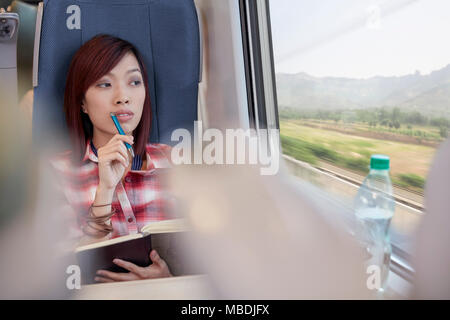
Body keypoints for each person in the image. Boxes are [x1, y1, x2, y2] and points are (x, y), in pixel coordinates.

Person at [51, 34, 174, 282]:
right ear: (82, 103)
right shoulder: (54, 173)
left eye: (134, 82)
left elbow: (210, 262)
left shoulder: (175, 163)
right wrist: (105, 190)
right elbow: (64, 276)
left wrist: (169, 278)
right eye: (105, 84)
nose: (122, 97)